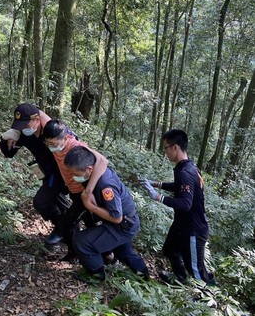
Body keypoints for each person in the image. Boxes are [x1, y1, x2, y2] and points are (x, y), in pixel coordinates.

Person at [63, 145, 150, 283]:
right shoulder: (95, 173)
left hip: (122, 225)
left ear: (89, 169)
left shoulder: (105, 185)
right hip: (126, 222)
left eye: (76, 175)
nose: (74, 178)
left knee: (81, 241)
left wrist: (90, 206)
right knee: (123, 251)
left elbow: (116, 217)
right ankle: (145, 277)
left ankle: (97, 275)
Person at [141, 129, 215, 285]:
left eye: (166, 148)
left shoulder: (185, 172)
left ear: (175, 147)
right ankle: (180, 279)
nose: (165, 152)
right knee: (169, 250)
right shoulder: (188, 167)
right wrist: (156, 184)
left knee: (195, 269)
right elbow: (180, 187)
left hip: (193, 229)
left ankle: (206, 297)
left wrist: (157, 196)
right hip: (182, 225)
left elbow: (185, 204)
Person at [0, 103, 70, 245]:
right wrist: (6, 138)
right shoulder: (24, 133)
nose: (24, 127)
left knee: (45, 201)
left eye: (26, 123)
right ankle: (66, 232)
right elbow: (9, 153)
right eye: (21, 125)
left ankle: (67, 230)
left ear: (37, 120)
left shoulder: (52, 130)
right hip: (48, 173)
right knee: (51, 203)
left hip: (64, 171)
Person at [42, 119, 109, 260]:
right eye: (47, 143)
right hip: (73, 191)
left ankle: (94, 256)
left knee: (67, 223)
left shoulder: (76, 147)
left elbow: (103, 161)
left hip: (83, 193)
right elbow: (38, 116)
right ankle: (107, 256)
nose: (50, 147)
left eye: (53, 144)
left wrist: (88, 191)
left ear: (66, 138)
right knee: (91, 223)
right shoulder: (56, 142)